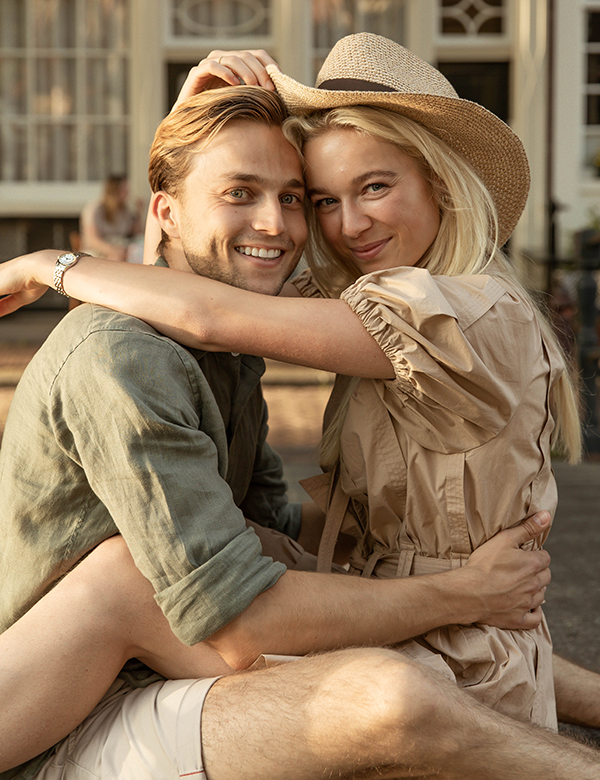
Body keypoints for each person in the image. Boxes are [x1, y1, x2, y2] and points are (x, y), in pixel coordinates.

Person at [0, 46, 598, 780]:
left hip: (185, 664)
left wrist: (58, 262)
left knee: (369, 619)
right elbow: (246, 611)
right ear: (168, 212)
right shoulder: (134, 356)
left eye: (292, 197)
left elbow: (209, 304)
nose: (301, 226)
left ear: (442, 185)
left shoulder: (432, 313)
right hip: (79, 707)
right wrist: (459, 589)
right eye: (321, 199)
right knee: (379, 681)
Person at [79, 174, 142, 263]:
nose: (128, 192)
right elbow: (92, 240)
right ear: (114, 190)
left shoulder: (124, 211)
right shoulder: (95, 209)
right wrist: (112, 250)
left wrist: (138, 212)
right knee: (116, 258)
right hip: (99, 252)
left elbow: (136, 234)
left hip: (121, 251)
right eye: (124, 189)